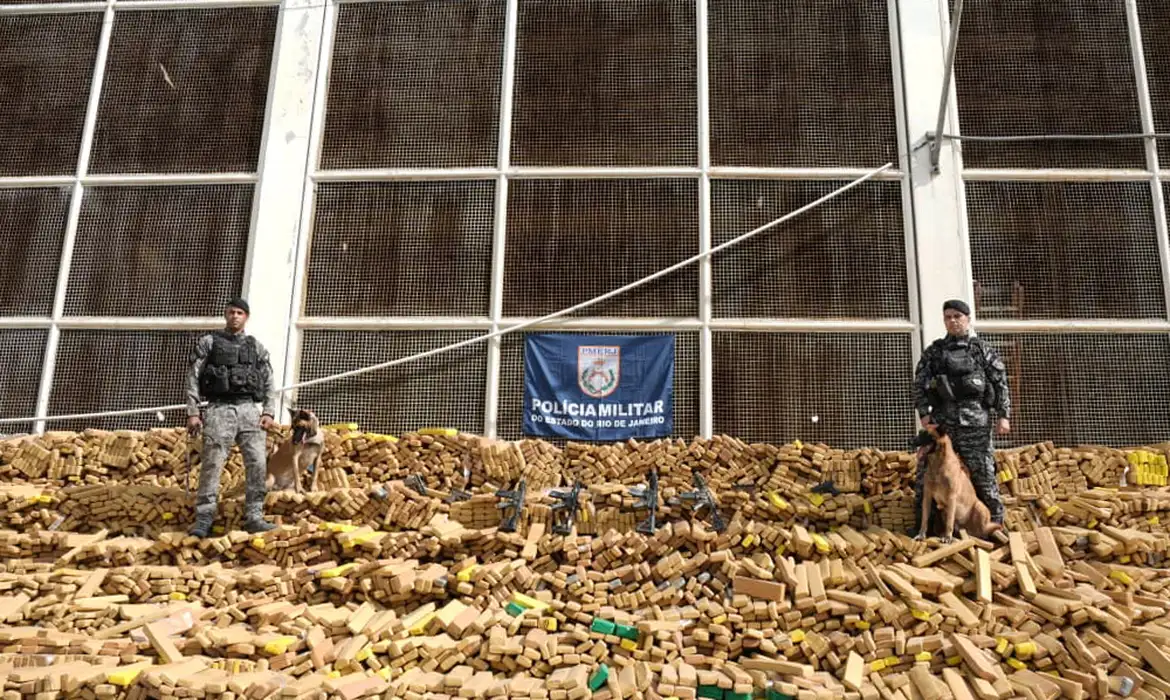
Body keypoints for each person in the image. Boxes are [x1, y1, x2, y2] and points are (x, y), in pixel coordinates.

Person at [911, 299, 1011, 535]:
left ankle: (996, 528)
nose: (953, 321)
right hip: (943, 427)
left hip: (976, 425)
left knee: (984, 475)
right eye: (948, 317)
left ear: (968, 319)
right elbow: (919, 384)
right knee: (927, 475)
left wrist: (1003, 415)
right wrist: (924, 413)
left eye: (958, 316)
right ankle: (923, 529)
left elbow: (1000, 383)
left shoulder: (982, 350)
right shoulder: (935, 352)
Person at [185, 298, 277, 537]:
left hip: (248, 410)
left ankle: (254, 516)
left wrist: (269, 411)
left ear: (246, 317)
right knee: (212, 463)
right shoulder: (209, 342)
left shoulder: (255, 346)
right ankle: (204, 519)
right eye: (231, 312)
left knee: (257, 463)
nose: (235, 316)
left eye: (239, 313)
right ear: (225, 315)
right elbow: (193, 376)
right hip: (219, 409)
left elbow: (269, 379)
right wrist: (193, 412)